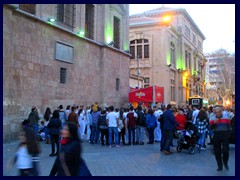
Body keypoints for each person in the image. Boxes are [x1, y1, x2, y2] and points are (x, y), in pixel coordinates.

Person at [210, 107, 232, 171]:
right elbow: (210, 128)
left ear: (221, 112)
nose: (217, 114)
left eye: (218, 112)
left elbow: (229, 128)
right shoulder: (213, 119)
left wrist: (228, 135)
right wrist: (214, 123)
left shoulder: (226, 118)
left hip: (225, 135)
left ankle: (225, 162)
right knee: (217, 151)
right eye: (216, 112)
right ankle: (220, 166)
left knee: (226, 151)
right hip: (216, 135)